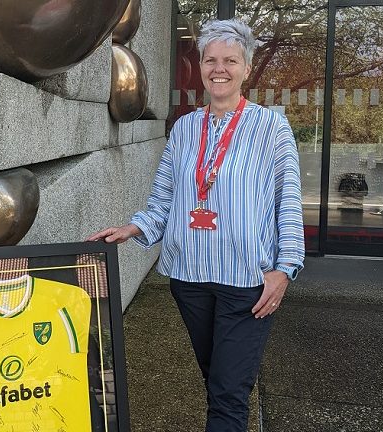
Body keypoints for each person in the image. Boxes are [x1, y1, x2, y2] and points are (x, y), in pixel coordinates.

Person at [89, 19, 304, 432]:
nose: (218, 68)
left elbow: (288, 202)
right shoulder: (185, 129)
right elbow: (163, 200)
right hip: (190, 279)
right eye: (210, 60)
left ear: (245, 68)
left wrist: (286, 268)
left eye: (230, 60)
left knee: (228, 393)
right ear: (201, 66)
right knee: (218, 381)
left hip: (248, 280)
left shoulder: (271, 127)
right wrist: (132, 229)